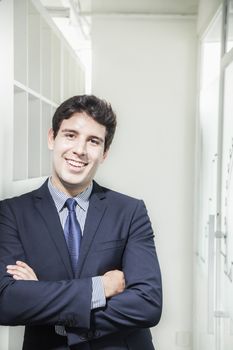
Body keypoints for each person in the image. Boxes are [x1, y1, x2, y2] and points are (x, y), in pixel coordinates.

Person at [0, 95, 162, 350]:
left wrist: (44, 299)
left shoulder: (130, 211)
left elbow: (147, 304)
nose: (80, 150)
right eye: (71, 135)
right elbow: (7, 302)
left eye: (93, 141)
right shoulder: (11, 213)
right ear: (52, 138)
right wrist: (101, 286)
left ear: (105, 153)